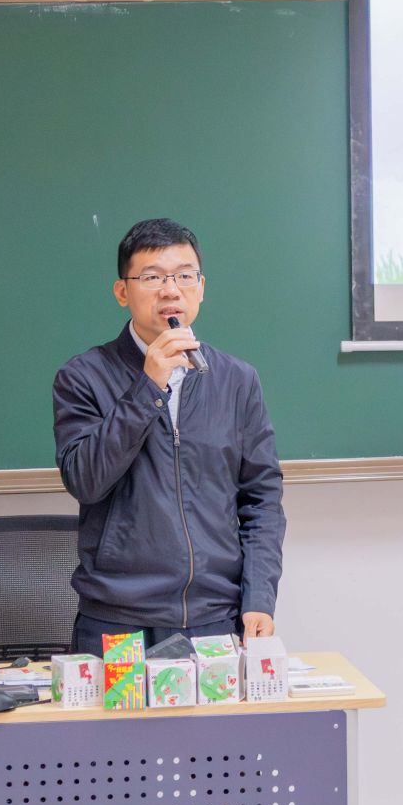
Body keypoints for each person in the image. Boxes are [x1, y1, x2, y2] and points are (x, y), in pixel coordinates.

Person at [52, 217, 286, 659]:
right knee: (114, 713)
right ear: (122, 292)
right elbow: (85, 480)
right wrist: (148, 386)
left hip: (214, 618)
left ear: (201, 287)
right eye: (152, 277)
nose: (170, 290)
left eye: (184, 276)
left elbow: (262, 498)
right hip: (118, 621)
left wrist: (258, 595)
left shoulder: (237, 380)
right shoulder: (83, 376)